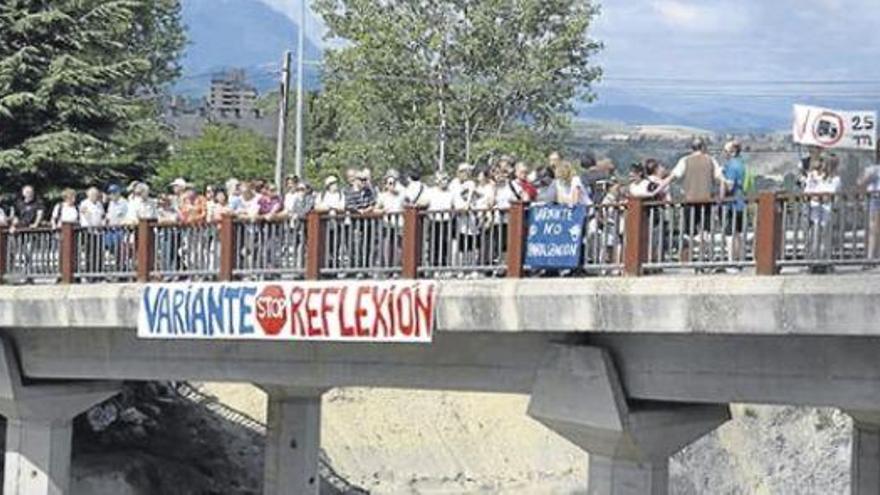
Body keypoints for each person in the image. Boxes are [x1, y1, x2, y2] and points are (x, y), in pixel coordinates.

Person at [722, 141, 747, 266]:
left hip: (731, 203)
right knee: (739, 232)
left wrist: (721, 183)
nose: (724, 154)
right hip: (740, 201)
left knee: (730, 233)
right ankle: (740, 259)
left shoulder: (731, 166)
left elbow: (730, 186)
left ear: (732, 152)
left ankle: (732, 260)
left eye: (725, 151)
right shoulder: (741, 164)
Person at [859, 143, 880, 263]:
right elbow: (861, 182)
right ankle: (871, 257)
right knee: (873, 228)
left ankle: (874, 256)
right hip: (875, 198)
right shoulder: (873, 169)